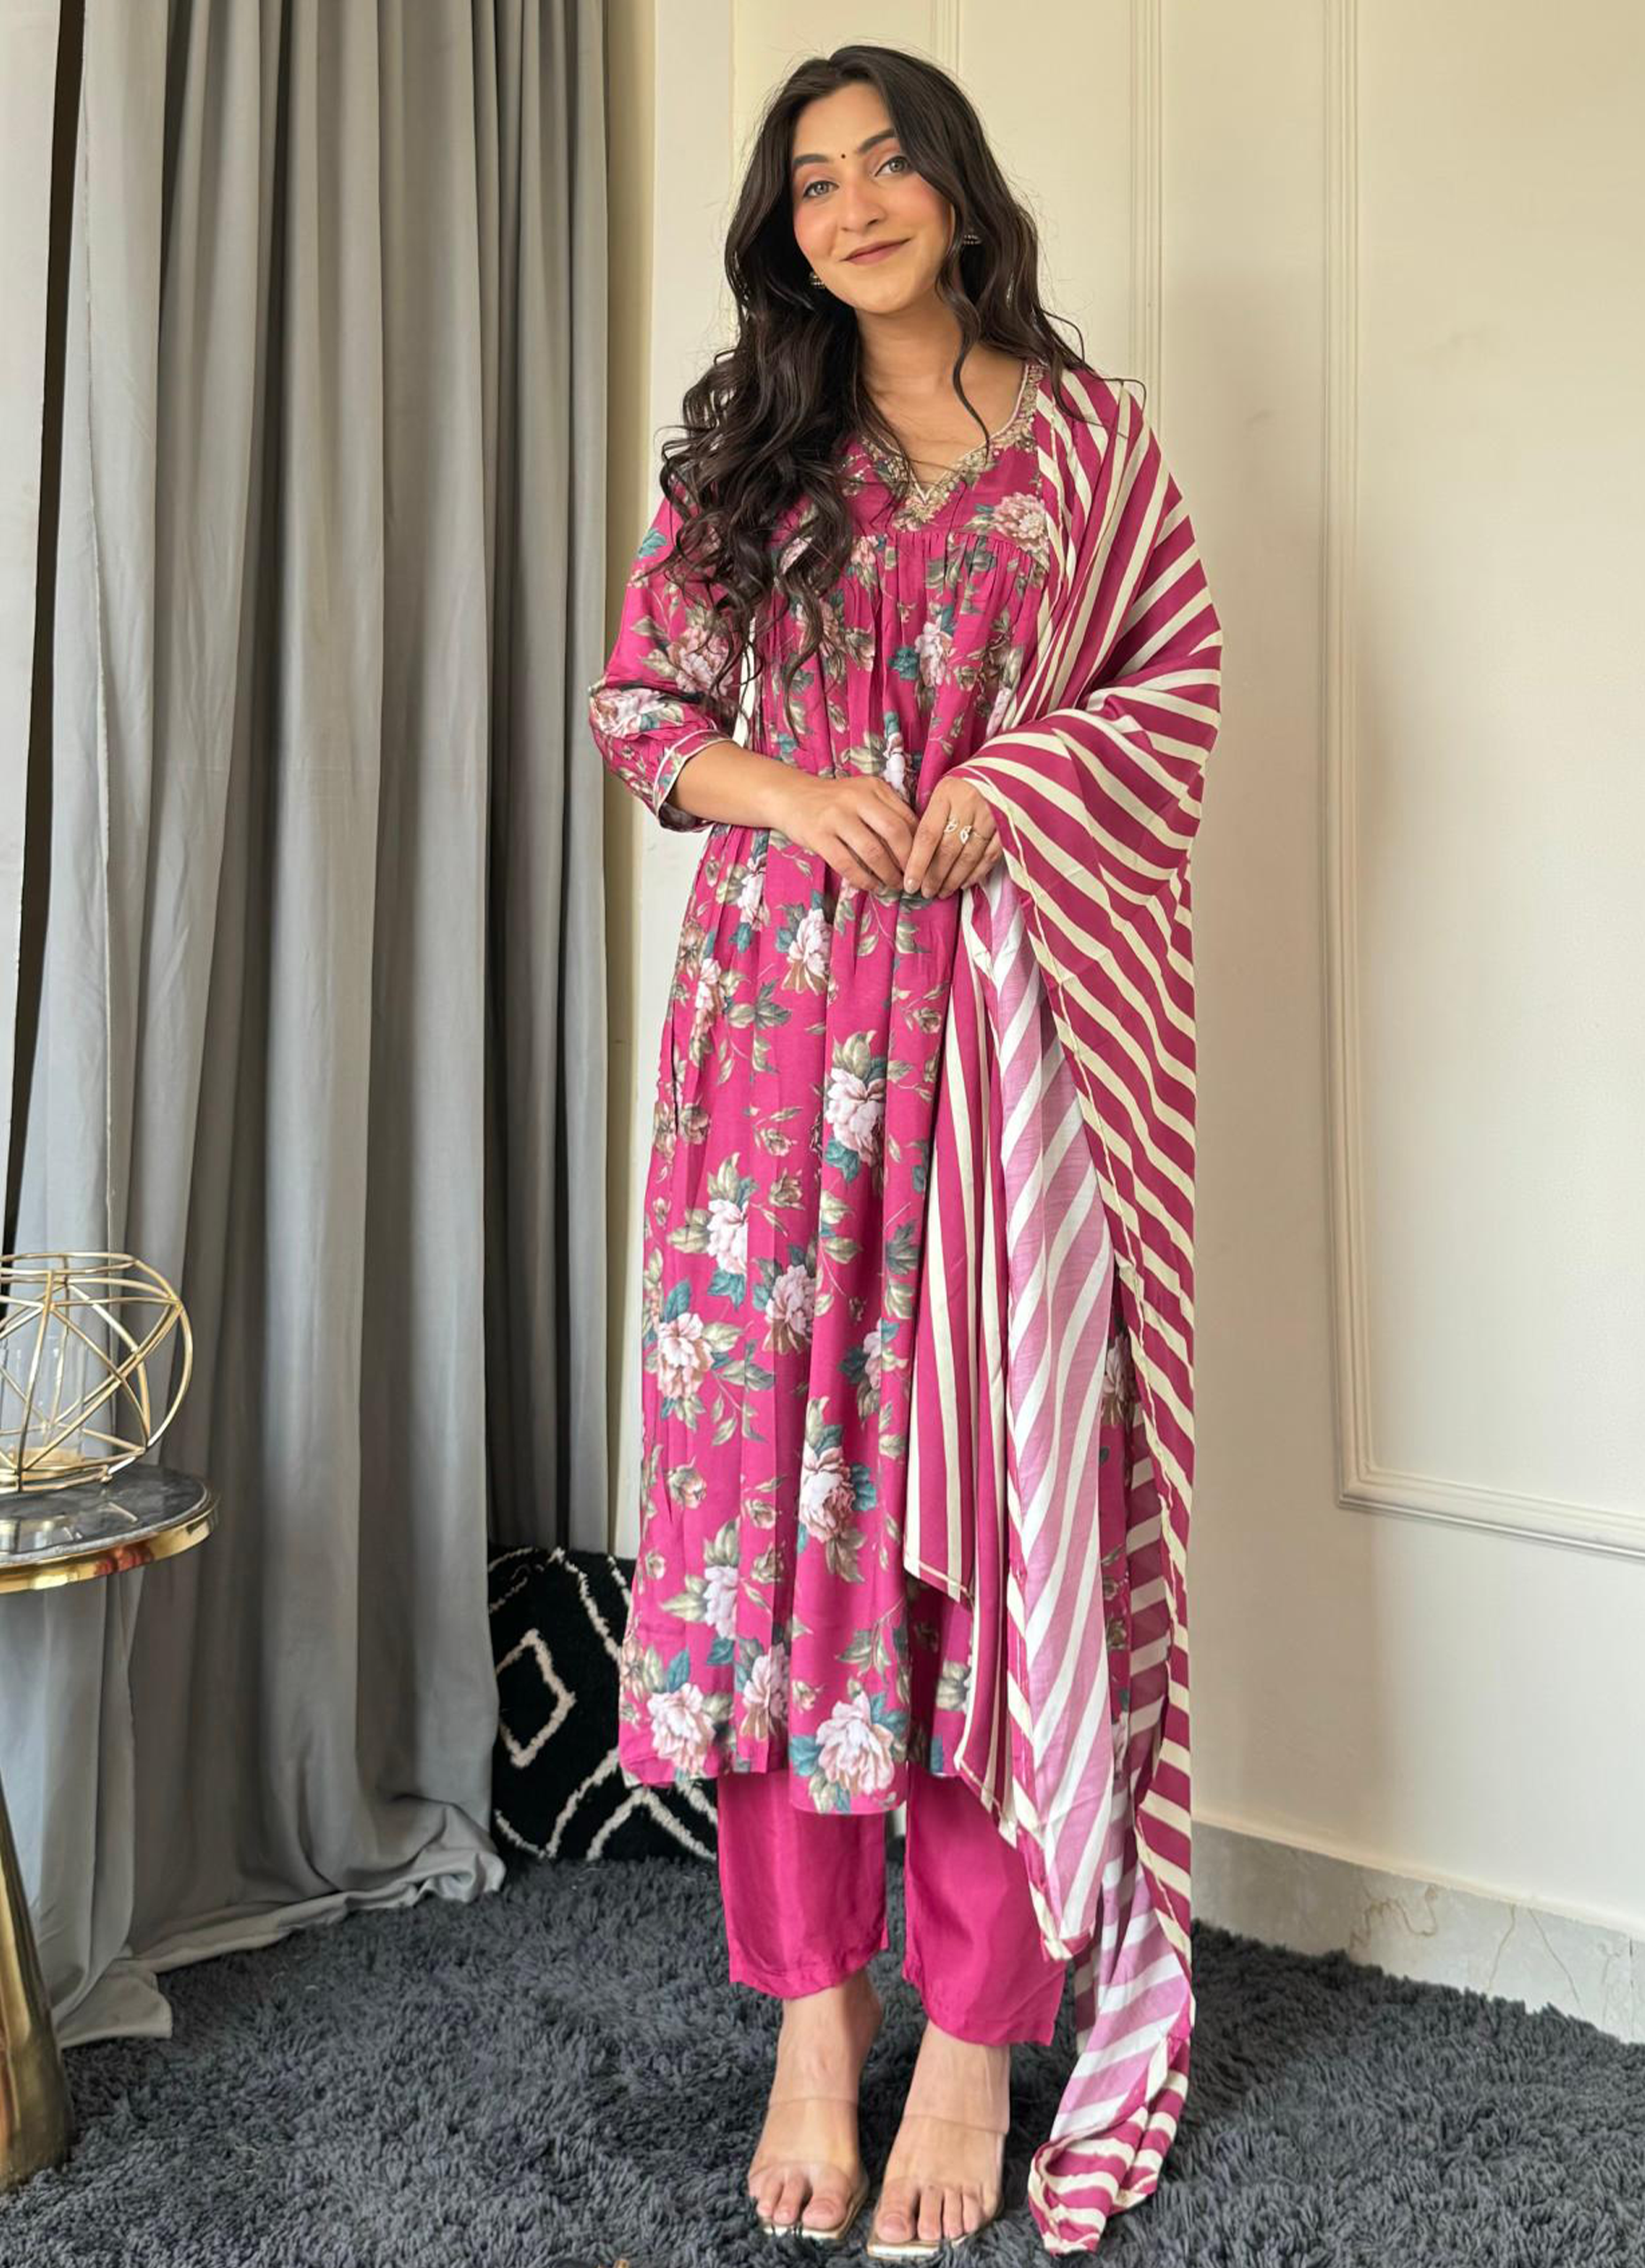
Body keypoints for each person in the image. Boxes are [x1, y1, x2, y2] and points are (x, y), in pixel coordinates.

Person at [586, 42, 1222, 2263]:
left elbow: (1177, 697)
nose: (852, 203)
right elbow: (643, 709)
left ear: (957, 189)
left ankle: (974, 2029)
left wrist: (1009, 784)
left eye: (887, 164)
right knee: (790, 1520)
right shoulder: (751, 446)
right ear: (787, 224)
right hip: (775, 1050)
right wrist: (799, 789)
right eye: (812, 178)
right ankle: (811, 2014)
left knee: (981, 1515)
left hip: (1002, 1049)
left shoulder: (1094, 448)